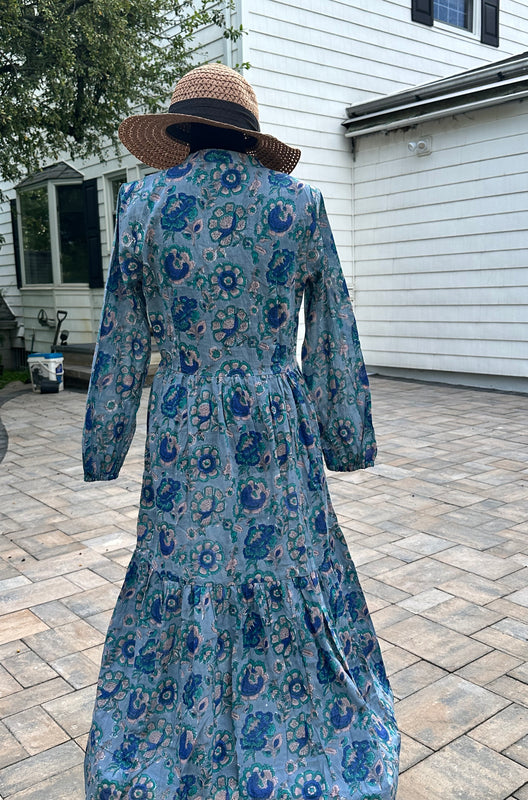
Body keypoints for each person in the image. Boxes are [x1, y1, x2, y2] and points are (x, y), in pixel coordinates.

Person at [82, 62, 400, 800]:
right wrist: (344, 434)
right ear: (249, 137)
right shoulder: (301, 205)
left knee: (187, 564)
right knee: (284, 562)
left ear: (179, 131)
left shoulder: (144, 204)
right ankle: (296, 731)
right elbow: (333, 332)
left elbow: (123, 338)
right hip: (274, 427)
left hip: (184, 425)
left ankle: (177, 734)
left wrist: (105, 441)